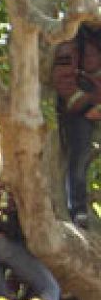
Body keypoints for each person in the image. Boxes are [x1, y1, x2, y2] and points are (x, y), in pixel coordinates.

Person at [51, 21, 101, 228]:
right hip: (80, 111)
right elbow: (61, 80)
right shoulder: (71, 43)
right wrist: (86, 105)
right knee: (78, 158)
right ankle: (78, 210)